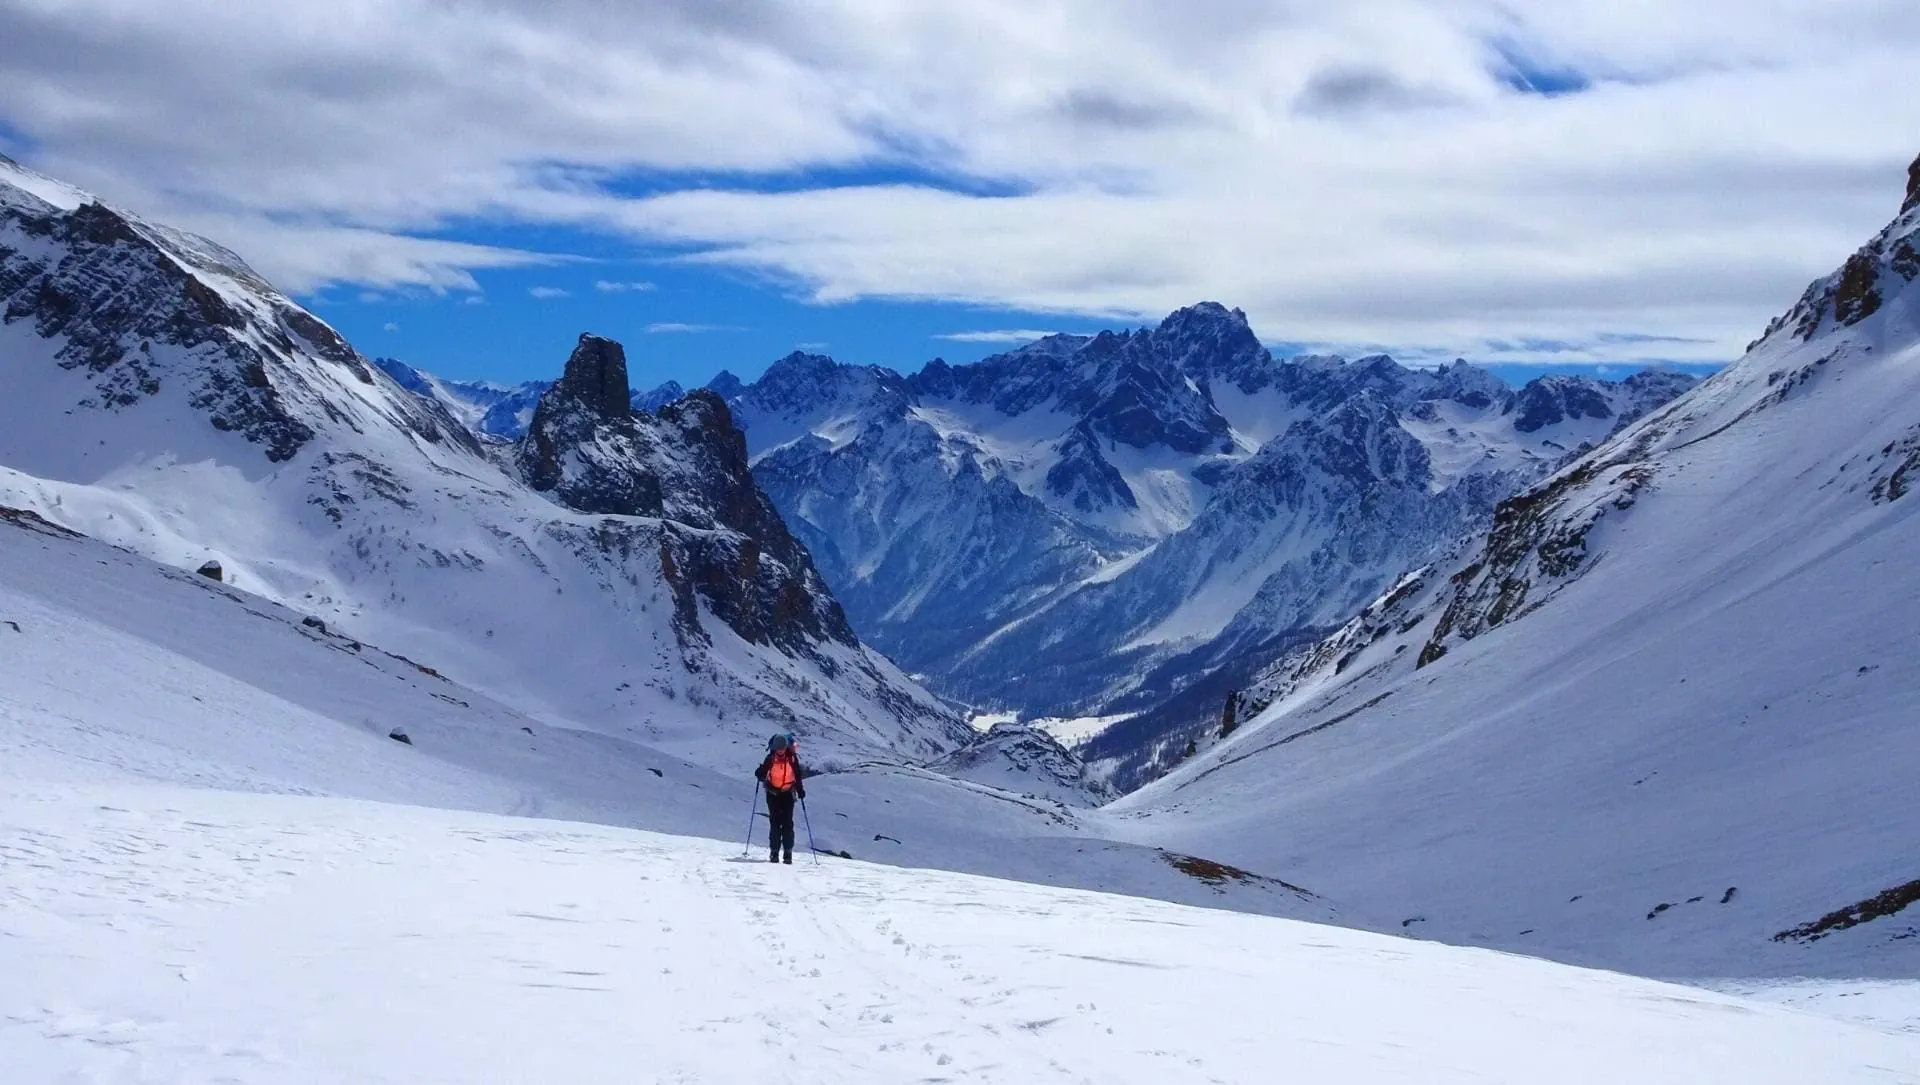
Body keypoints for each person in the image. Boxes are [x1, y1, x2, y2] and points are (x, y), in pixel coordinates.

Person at [753, 733, 805, 864]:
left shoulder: (792, 758)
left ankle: (787, 853)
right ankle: (774, 853)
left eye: (782, 748)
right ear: (775, 748)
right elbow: (763, 773)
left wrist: (800, 790)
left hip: (787, 793)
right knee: (776, 822)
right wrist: (759, 774)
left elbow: (797, 775)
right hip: (773, 793)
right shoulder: (770, 758)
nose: (780, 750)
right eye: (778, 748)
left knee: (787, 823)